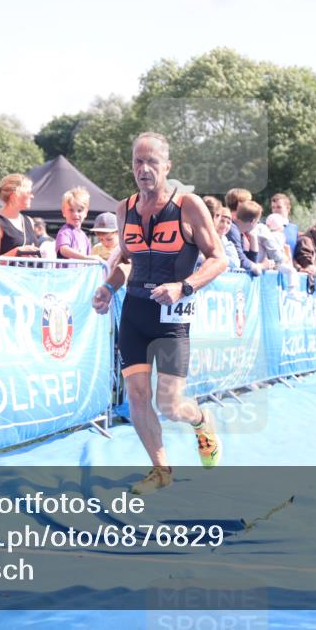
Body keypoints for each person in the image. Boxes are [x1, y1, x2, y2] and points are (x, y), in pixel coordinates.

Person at [91, 132, 228, 495]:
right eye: (138, 161)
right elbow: (125, 262)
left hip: (171, 319)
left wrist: (184, 287)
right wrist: (108, 287)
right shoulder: (125, 209)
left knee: (170, 404)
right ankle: (161, 469)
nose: (144, 169)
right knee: (136, 395)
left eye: (152, 162)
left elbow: (219, 259)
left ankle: (201, 420)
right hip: (134, 313)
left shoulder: (188, 205)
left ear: (167, 166)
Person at [0, 174, 40, 259]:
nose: (32, 196)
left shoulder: (29, 221)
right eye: (28, 192)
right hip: (7, 272)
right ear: (15, 195)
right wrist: (17, 252)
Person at [235, 201, 287, 271]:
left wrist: (253, 237)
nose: (258, 224)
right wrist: (262, 266)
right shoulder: (233, 231)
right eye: (257, 222)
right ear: (253, 221)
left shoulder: (240, 232)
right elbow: (242, 261)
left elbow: (251, 260)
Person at [56, 187, 99, 262]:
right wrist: (86, 258)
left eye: (79, 210)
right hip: (67, 273)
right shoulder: (65, 232)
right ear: (63, 212)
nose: (76, 214)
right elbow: (64, 250)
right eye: (71, 210)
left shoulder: (84, 236)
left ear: (86, 212)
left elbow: (88, 257)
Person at [224, 188, 259, 275]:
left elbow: (249, 259)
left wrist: (253, 237)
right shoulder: (231, 227)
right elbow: (241, 260)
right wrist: (259, 267)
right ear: (240, 204)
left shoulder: (239, 229)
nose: (251, 205)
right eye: (249, 202)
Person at [270, 192, 300, 257]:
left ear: (288, 209)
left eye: (279, 207)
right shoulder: (267, 228)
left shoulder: (294, 228)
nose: (275, 210)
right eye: (273, 207)